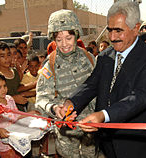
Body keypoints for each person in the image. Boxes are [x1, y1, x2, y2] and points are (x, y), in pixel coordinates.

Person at [55, 1, 146, 158]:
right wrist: (71, 103)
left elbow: (141, 96)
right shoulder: (105, 56)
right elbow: (91, 85)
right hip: (106, 142)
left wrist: (104, 115)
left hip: (135, 144)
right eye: (109, 30)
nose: (112, 37)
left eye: (118, 31)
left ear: (136, 28)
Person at [35, 9, 99, 158]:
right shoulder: (49, 65)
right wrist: (54, 108)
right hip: (66, 133)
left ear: (76, 35)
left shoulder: (89, 58)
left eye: (68, 38)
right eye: (59, 39)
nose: (64, 44)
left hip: (90, 128)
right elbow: (41, 99)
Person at [0, 41, 28, 111]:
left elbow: (17, 89)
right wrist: (13, 98)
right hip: (5, 115)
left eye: (8, 55)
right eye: (2, 56)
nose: (7, 58)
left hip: (20, 112)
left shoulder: (15, 72)